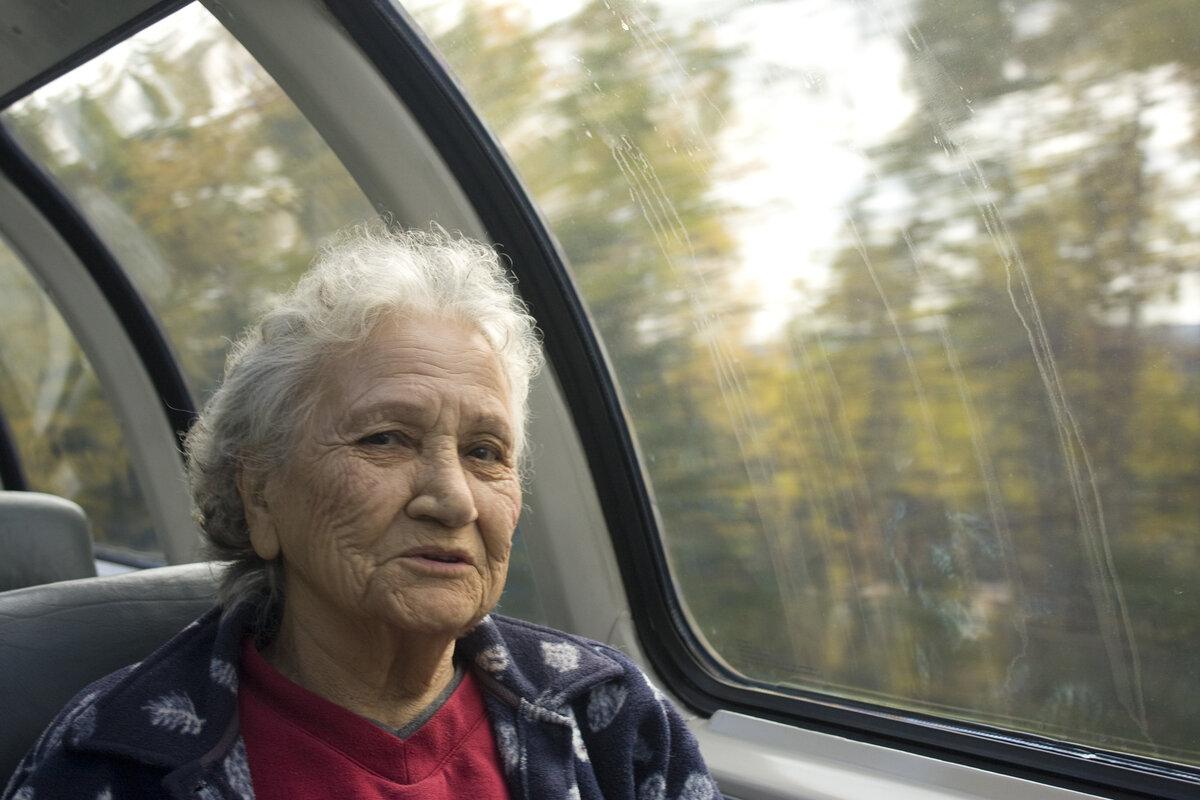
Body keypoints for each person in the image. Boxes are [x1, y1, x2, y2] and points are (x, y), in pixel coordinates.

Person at [2, 224, 717, 800]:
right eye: (386, 439)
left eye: (484, 451)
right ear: (260, 497)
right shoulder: (111, 760)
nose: (453, 498)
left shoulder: (611, 717)